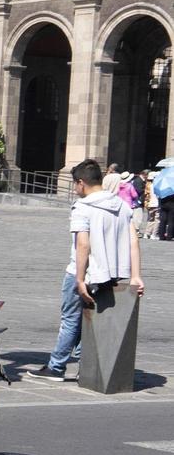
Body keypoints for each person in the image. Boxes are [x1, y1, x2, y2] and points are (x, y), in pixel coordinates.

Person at [28, 159, 145, 380]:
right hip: (108, 275)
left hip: (80, 272)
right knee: (91, 319)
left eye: (75, 184)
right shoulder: (121, 205)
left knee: (70, 320)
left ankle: (57, 366)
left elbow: (83, 243)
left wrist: (80, 279)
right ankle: (87, 365)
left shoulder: (83, 207)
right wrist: (136, 276)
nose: (75, 189)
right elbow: (133, 241)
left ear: (81, 183)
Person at [155, 162, 174, 242]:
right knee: (171, 221)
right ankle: (169, 236)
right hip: (172, 204)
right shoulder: (172, 184)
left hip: (163, 203)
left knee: (162, 220)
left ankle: (161, 236)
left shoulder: (162, 182)